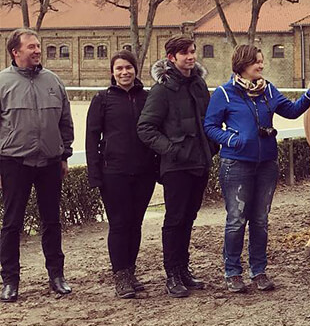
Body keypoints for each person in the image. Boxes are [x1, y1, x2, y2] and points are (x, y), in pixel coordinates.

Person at [204, 45, 310, 293]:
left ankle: (259, 271)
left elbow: (292, 110)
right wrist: (232, 139)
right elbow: (210, 126)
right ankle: (232, 272)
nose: (261, 65)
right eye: (256, 62)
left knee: (260, 220)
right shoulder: (224, 93)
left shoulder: (268, 90)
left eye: (261, 61)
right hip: (236, 165)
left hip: (266, 164)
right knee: (236, 220)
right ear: (243, 64)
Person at [137, 35, 218, 299]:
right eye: (185, 53)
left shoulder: (199, 84)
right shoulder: (162, 89)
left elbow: (208, 120)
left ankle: (183, 269)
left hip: (199, 163)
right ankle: (171, 273)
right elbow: (146, 128)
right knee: (174, 220)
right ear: (172, 58)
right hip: (175, 166)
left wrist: (212, 146)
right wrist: (172, 150)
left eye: (193, 51)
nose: (191, 57)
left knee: (189, 218)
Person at [0, 28, 74, 303]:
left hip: (49, 163)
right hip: (14, 162)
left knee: (52, 221)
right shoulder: (2, 83)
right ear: (15, 52)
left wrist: (64, 154)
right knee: (11, 223)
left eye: (38, 46)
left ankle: (57, 275)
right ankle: (10, 280)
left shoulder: (53, 81)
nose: (37, 50)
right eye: (31, 47)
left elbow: (65, 121)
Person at [85, 50, 157, 299]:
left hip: (144, 172)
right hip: (113, 172)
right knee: (119, 224)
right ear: (112, 72)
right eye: (119, 69)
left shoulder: (148, 98)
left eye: (128, 67)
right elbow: (92, 137)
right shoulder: (102, 99)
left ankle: (131, 270)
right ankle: (120, 276)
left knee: (135, 224)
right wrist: (94, 173)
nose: (124, 72)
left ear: (136, 70)